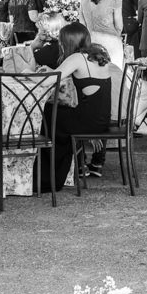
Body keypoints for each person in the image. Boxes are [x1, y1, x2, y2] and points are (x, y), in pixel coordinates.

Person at [39, 23, 112, 190]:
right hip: (101, 118)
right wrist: (52, 70)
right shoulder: (97, 54)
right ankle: (65, 171)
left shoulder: (77, 58)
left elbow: (50, 81)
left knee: (49, 114)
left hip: (87, 120)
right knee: (55, 115)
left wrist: (28, 76)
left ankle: (49, 178)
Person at [79, 0, 123, 66]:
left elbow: (82, 21)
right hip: (111, 43)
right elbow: (119, 27)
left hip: (90, 42)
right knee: (114, 77)